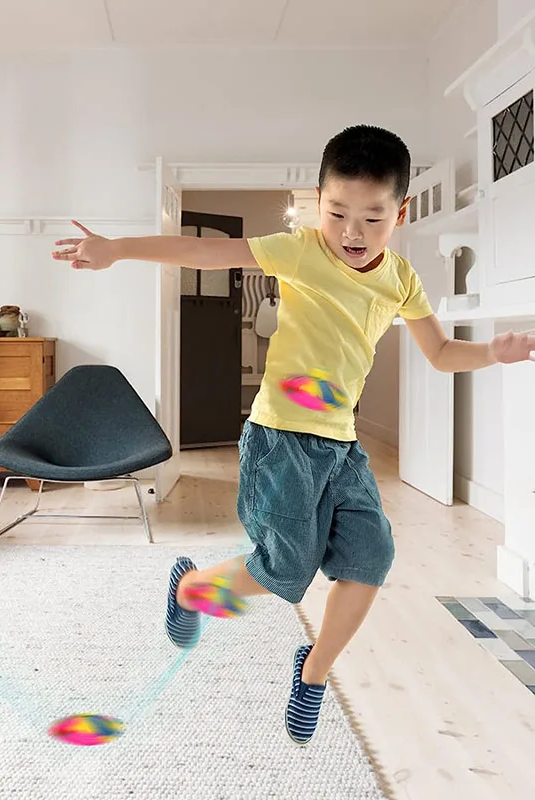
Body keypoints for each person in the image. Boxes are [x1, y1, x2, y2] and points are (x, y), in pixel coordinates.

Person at [51, 125, 535, 745]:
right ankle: (193, 587)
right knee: (286, 571)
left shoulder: (402, 280)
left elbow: (440, 353)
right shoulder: (300, 251)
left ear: (400, 212)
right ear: (318, 201)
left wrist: (493, 351)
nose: (352, 233)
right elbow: (205, 254)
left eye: (372, 217)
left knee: (371, 559)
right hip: (281, 439)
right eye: (337, 213)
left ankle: (311, 674)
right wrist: (118, 249)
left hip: (342, 446)